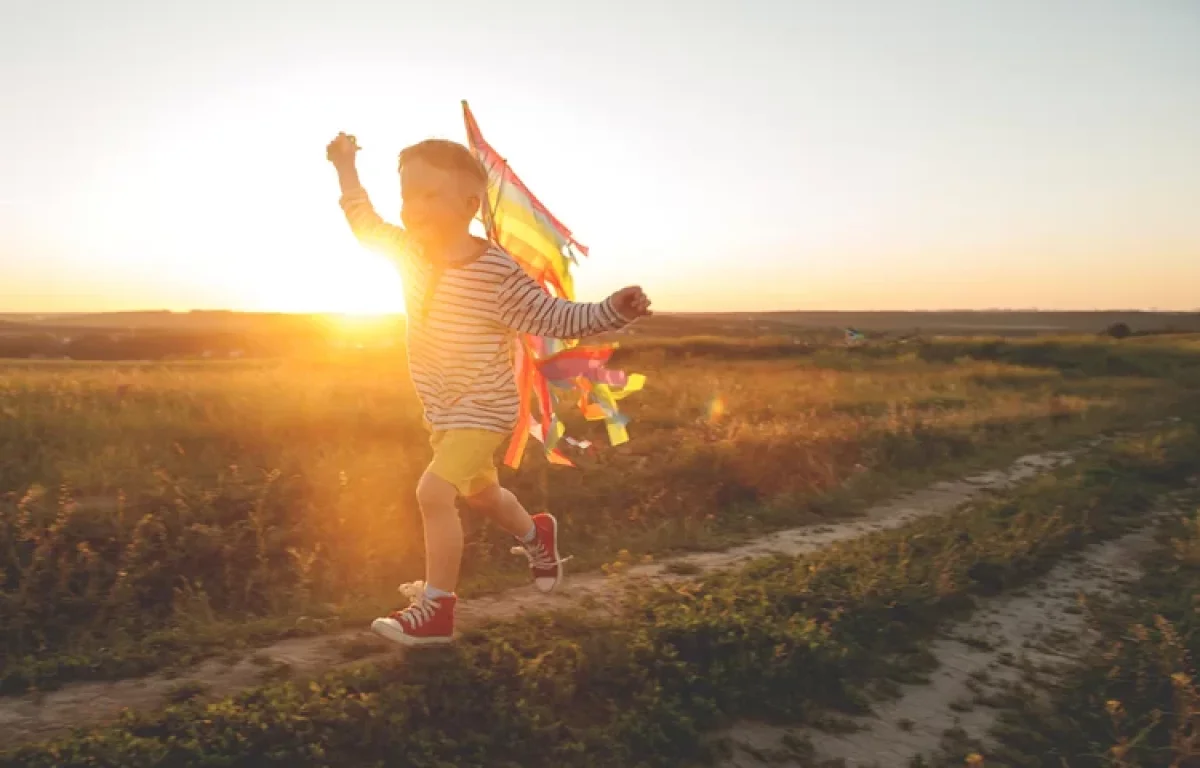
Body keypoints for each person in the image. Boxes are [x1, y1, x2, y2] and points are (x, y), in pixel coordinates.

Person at [325, 132, 651, 646]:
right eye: (409, 194)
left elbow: (553, 316)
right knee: (484, 496)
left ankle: (437, 610)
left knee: (433, 493)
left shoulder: (496, 271)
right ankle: (535, 534)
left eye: (432, 194)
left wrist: (614, 311)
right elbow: (363, 220)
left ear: (470, 204)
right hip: (443, 410)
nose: (415, 207)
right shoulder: (407, 251)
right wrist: (344, 165)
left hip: (486, 409)